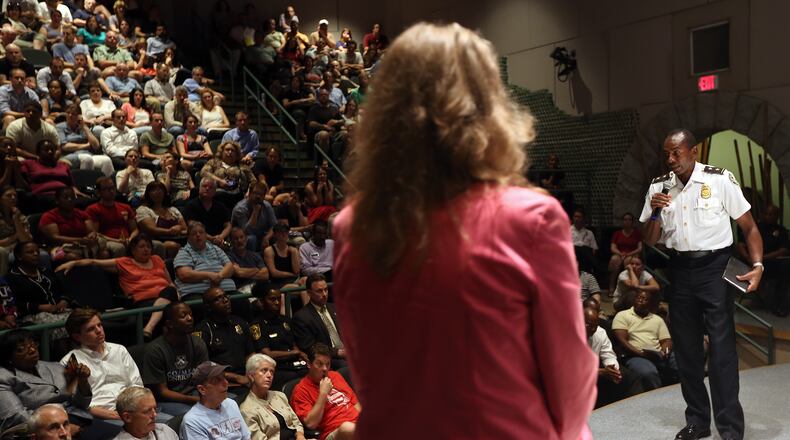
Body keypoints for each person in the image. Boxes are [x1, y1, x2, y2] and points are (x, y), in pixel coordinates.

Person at [331, 23, 596, 439]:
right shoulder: (531, 218)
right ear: (487, 106)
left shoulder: (351, 225)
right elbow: (568, 374)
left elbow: (367, 372)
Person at [641, 128, 763, 440]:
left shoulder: (719, 180)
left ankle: (730, 427)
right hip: (680, 270)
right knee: (687, 352)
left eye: (676, 153)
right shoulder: (658, 186)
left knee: (722, 350)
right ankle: (697, 420)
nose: (670, 160)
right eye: (666, 154)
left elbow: (749, 227)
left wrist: (758, 265)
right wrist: (655, 210)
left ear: (694, 152)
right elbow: (650, 240)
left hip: (715, 267)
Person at [56, 234, 178, 337]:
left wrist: (177, 292)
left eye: (148, 246)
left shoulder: (157, 259)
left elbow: (170, 282)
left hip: (167, 297)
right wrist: (74, 262)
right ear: (133, 250)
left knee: (171, 292)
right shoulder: (124, 262)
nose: (146, 249)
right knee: (173, 305)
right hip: (142, 302)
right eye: (141, 246)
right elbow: (95, 261)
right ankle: (153, 328)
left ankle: (149, 328)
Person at [61, 308, 143, 423]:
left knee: (167, 424)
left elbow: (137, 385)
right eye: (91, 329)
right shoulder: (69, 362)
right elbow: (72, 405)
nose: (99, 331)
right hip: (100, 417)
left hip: (131, 409)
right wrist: (108, 414)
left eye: (99, 325)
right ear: (77, 337)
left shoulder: (119, 350)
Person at [0, 329, 91, 431]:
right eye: (22, 349)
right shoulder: (3, 378)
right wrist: (61, 426)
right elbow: (16, 417)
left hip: (79, 418)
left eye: (33, 344)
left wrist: (83, 382)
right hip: (40, 430)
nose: (32, 350)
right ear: (9, 358)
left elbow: (81, 404)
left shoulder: (55, 366)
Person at [142, 301, 208, 417]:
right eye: (183, 316)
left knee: (227, 401)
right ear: (170, 324)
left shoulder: (197, 343)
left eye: (191, 315)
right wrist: (194, 399)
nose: (189, 319)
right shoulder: (155, 350)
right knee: (193, 415)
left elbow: (205, 377)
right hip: (168, 401)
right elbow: (162, 392)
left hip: (194, 392)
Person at [612, 291, 678, 392]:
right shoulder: (623, 315)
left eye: (644, 299)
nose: (640, 300)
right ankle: (658, 398)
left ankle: (682, 392)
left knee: (680, 362)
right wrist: (641, 354)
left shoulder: (657, 319)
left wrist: (665, 351)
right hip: (635, 355)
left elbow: (666, 340)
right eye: (638, 297)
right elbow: (622, 340)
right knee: (648, 372)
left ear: (651, 304)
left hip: (657, 353)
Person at [289, 343, 357, 440]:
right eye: (319, 364)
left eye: (327, 364)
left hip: (357, 424)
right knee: (347, 428)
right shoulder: (301, 390)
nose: (325, 369)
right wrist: (323, 394)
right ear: (309, 364)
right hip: (334, 431)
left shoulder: (335, 375)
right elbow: (311, 423)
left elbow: (356, 404)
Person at [195, 287, 257, 388]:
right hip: (220, 381)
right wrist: (236, 377)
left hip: (246, 377)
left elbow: (250, 354)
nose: (225, 300)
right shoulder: (203, 331)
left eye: (225, 296)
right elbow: (203, 368)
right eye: (218, 299)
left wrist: (252, 372)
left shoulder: (239, 323)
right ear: (208, 307)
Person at [249, 288, 308, 390]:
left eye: (279, 299)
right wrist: (294, 353)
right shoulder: (257, 326)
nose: (277, 302)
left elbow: (294, 344)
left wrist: (302, 354)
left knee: (311, 371)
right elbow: (267, 354)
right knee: (293, 379)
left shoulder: (285, 320)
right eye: (272, 299)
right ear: (262, 301)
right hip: (275, 367)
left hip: (293, 363)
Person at [737, 204, 790, 316]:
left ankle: (781, 305)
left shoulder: (781, 230)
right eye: (766, 213)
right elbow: (740, 244)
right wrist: (747, 256)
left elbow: (783, 250)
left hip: (771, 263)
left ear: (777, 216)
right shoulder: (755, 228)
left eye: (771, 214)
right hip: (751, 263)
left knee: (786, 266)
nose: (768, 216)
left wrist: (761, 259)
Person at [240, 354, 306, 440]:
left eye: (272, 372)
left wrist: (300, 435)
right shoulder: (246, 410)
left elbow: (296, 422)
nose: (269, 375)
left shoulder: (279, 395)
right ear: (251, 375)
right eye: (264, 370)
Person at [180, 361, 251, 440]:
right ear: (202, 389)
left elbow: (246, 437)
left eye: (224, 377)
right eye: (217, 380)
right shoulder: (192, 422)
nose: (226, 382)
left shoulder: (231, 404)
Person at [585, 305, 638, 408]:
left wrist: (612, 368)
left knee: (629, 377)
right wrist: (599, 372)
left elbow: (608, 354)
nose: (593, 329)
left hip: (594, 371)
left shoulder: (599, 332)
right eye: (589, 325)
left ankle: (632, 409)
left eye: (595, 326)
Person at [292, 273, 345, 370]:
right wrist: (338, 352)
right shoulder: (302, 317)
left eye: (326, 290)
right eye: (319, 291)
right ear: (309, 293)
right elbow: (310, 347)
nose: (324, 294)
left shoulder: (334, 308)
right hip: (327, 359)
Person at [173, 221, 235, 298]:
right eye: (194, 234)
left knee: (243, 302)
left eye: (201, 232)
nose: (198, 235)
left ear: (206, 235)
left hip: (227, 291)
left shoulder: (215, 249)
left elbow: (230, 267)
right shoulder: (184, 252)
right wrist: (209, 276)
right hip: (199, 295)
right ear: (188, 238)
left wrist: (219, 276)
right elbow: (184, 275)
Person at [135, 181, 186, 258]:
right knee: (172, 245)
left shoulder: (173, 209)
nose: (157, 192)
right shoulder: (143, 210)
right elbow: (152, 230)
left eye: (160, 190)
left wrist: (179, 228)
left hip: (178, 239)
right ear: (148, 194)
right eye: (153, 190)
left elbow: (185, 228)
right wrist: (170, 231)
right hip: (154, 241)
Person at [181, 178, 232, 247]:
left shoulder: (220, 206)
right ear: (199, 188)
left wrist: (221, 237)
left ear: (214, 191)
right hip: (198, 242)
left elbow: (228, 225)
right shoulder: (191, 205)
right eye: (204, 186)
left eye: (211, 187)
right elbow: (193, 227)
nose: (207, 188)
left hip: (219, 242)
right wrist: (212, 239)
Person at [114, 386, 179, 440]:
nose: (154, 415)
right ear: (127, 417)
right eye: (147, 411)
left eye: (155, 409)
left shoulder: (165, 430)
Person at [232, 178, 277, 252]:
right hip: (240, 238)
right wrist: (255, 212)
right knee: (251, 238)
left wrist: (267, 237)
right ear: (250, 193)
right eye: (255, 193)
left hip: (261, 235)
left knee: (276, 236)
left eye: (261, 194)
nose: (258, 197)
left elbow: (274, 226)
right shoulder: (240, 209)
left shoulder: (267, 206)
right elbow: (246, 232)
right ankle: (252, 261)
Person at [608, 212, 643, 292]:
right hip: (619, 254)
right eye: (625, 219)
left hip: (632, 254)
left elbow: (640, 248)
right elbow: (613, 248)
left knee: (629, 261)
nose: (627, 221)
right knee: (614, 260)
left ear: (632, 222)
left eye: (629, 219)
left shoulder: (637, 233)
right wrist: (621, 254)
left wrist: (628, 254)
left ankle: (629, 286)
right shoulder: (617, 233)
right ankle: (611, 285)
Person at [227, 226, 269, 292]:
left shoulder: (255, 255)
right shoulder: (228, 256)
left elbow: (265, 275)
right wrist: (256, 269)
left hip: (258, 287)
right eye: (235, 238)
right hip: (241, 289)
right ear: (231, 241)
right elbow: (239, 273)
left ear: (246, 238)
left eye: (241, 237)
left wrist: (245, 273)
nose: (239, 241)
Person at [0, 187, 31, 274]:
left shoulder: (20, 217)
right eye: (9, 196)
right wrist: (16, 236)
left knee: (43, 255)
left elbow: (25, 241)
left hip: (19, 248)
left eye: (15, 196)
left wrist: (16, 219)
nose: (13, 198)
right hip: (3, 250)